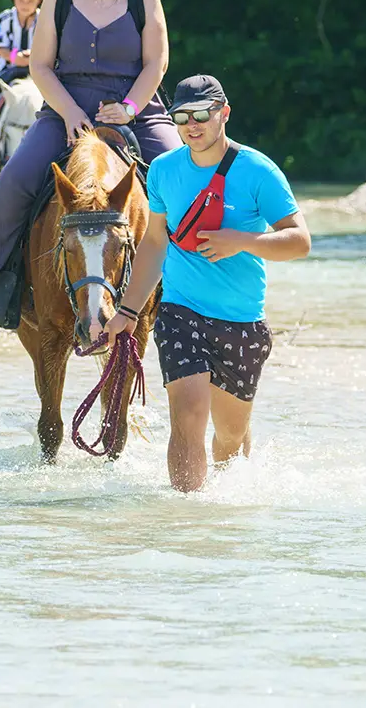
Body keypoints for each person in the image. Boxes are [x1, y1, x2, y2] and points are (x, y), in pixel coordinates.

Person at [0, 0, 182, 326]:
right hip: (65, 107)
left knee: (184, 180)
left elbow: (156, 63)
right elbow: (40, 66)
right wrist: (69, 112)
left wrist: (128, 108)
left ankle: (192, 296)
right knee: (12, 182)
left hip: (135, 108)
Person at [103, 75, 312, 493]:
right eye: (182, 117)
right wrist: (127, 310)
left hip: (242, 320)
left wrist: (244, 241)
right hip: (181, 312)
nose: (192, 125)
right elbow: (156, 241)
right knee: (187, 418)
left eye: (202, 114)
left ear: (224, 113)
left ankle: (228, 512)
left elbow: (300, 241)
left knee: (230, 436)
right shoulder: (162, 170)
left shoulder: (257, 170)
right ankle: (186, 522)